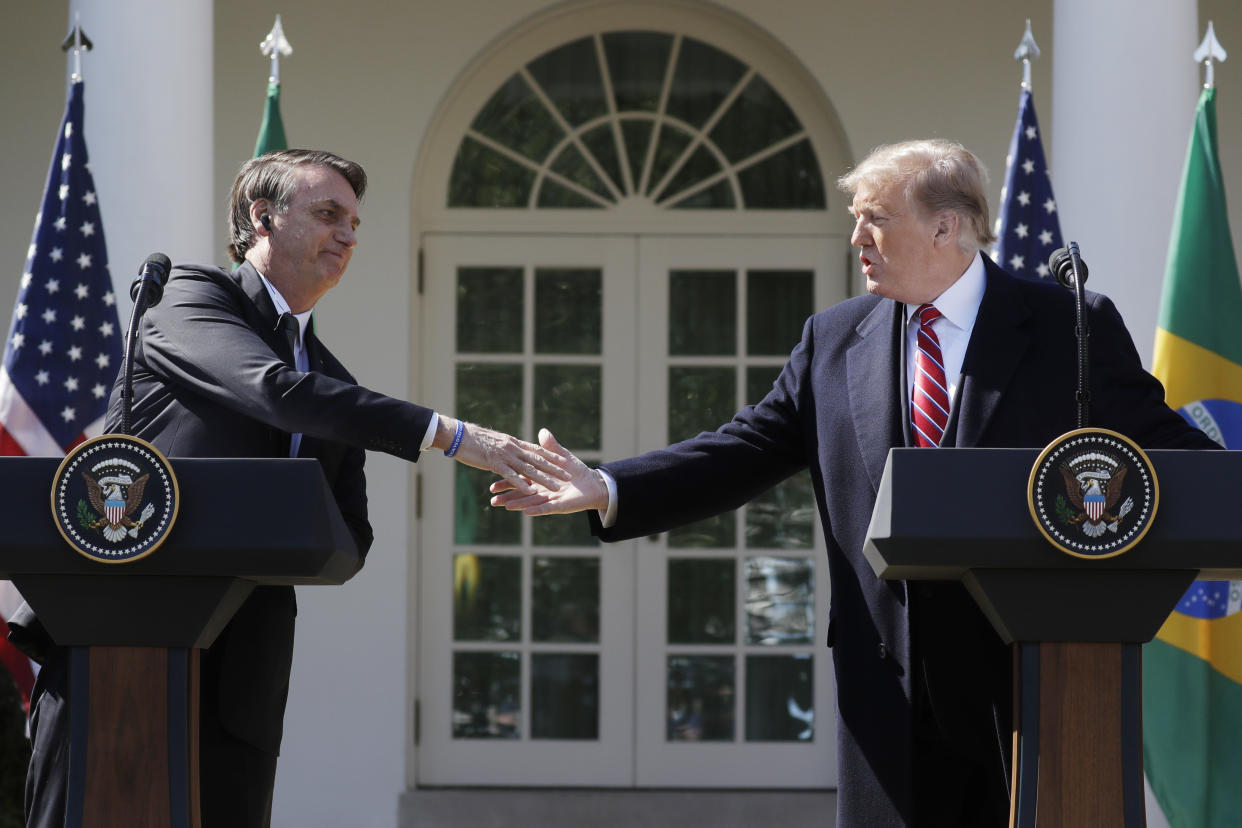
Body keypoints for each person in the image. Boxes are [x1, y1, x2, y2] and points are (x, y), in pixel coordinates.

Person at [492, 139, 1220, 827]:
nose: (857, 239)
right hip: (886, 687)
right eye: (855, 221)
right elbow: (743, 449)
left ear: (946, 227)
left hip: (1031, 681)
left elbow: (1172, 455)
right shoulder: (835, 339)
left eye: (875, 219)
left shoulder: (1072, 329)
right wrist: (609, 486)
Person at [14, 148, 567, 828]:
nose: (347, 236)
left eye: (356, 224)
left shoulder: (328, 375)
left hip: (242, 674)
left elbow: (350, 535)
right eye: (329, 214)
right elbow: (271, 392)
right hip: (122, 648)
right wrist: (451, 435)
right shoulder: (191, 298)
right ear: (262, 217)